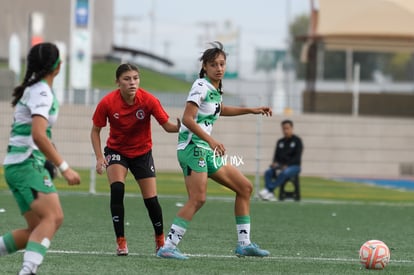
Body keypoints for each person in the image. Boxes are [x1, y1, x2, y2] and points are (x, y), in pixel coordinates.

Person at [157, 42, 272, 260]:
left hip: (204, 150)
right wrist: (211, 141)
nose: (218, 68)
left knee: (245, 188)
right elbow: (188, 120)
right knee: (198, 198)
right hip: (192, 148)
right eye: (213, 64)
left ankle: (244, 244)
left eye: (222, 64)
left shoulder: (215, 89)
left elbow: (220, 110)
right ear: (205, 67)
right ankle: (168, 247)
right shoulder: (200, 86)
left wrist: (251, 110)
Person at [1, 42, 81, 275]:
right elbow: (37, 134)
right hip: (26, 164)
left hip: (23, 164)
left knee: (36, 229)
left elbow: (37, 132)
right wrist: (64, 167)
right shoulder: (42, 92)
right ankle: (28, 271)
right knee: (53, 217)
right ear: (57, 66)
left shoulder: (36, 89)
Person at [90, 63, 180, 256]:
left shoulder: (149, 100)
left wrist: (185, 126)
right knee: (117, 189)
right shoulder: (107, 102)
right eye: (127, 79)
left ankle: (160, 242)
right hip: (116, 151)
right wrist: (99, 157)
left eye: (135, 78)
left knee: (151, 201)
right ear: (118, 82)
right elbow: (95, 131)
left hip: (142, 153)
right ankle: (121, 242)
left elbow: (168, 126)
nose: (132, 82)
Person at [259, 120, 303, 201]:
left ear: (292, 128)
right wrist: (275, 163)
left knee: (284, 172)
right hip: (280, 166)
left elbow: (297, 157)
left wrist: (287, 165)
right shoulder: (280, 142)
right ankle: (270, 194)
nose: (285, 131)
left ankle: (269, 190)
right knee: (268, 172)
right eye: (284, 128)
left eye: (287, 128)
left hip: (294, 166)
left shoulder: (297, 141)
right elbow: (276, 156)